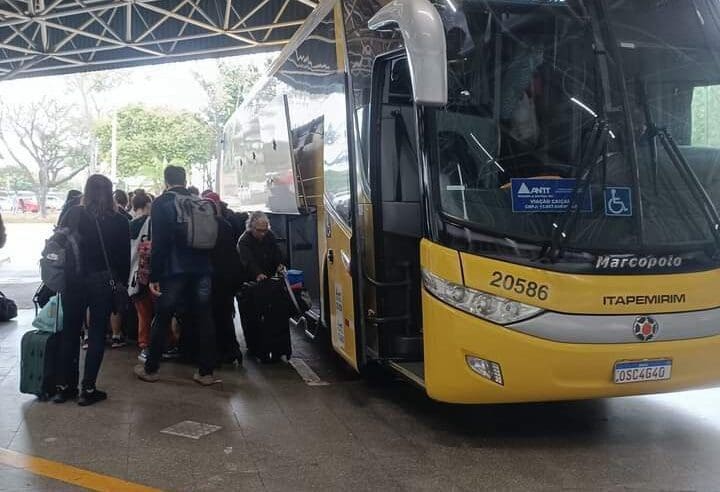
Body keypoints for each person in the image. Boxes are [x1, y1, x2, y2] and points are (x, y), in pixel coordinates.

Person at [134, 165, 218, 385]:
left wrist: (154, 275)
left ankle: (151, 368)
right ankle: (206, 372)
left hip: (174, 270)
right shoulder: (199, 202)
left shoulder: (163, 203)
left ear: (166, 181)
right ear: (184, 179)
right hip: (202, 268)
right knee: (205, 317)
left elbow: (159, 244)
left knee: (162, 316)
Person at [55, 174, 130, 406]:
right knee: (97, 333)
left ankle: (63, 387)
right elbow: (123, 259)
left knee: (70, 332)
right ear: (110, 193)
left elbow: (58, 244)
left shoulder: (72, 213)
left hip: (73, 280)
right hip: (102, 282)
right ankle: (87, 389)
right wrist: (121, 283)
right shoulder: (119, 220)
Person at [205, 192, 243, 366]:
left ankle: (217, 353)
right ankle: (232, 350)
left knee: (213, 317)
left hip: (212, 278)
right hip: (228, 277)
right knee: (226, 315)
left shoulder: (206, 226)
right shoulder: (226, 224)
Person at [129, 190, 153, 362]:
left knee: (142, 312)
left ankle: (144, 344)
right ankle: (163, 343)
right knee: (157, 312)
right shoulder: (153, 223)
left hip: (133, 273)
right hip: (151, 272)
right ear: (147, 205)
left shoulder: (128, 225)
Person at [110, 189, 132, 348]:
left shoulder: (78, 215)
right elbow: (126, 251)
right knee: (115, 302)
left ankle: (88, 336)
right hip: (115, 270)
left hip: (87, 274)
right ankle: (116, 335)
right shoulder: (123, 220)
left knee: (91, 306)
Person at [237, 211, 285, 282]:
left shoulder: (269, 234)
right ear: (251, 227)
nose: (262, 234)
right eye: (259, 230)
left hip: (270, 274)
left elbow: (276, 251)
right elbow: (249, 262)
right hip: (251, 278)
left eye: (264, 230)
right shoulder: (244, 241)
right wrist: (258, 274)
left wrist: (279, 263)